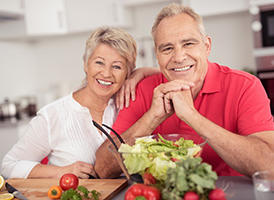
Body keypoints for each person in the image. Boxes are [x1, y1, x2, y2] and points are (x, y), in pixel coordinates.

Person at [94, 3, 274, 178]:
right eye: (167, 48)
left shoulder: (245, 86)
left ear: (207, 46)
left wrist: (191, 116)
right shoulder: (141, 90)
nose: (179, 57)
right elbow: (103, 168)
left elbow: (270, 167)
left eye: (188, 44)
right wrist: (153, 116)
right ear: (157, 54)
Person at [1, 26, 160, 179]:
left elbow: (174, 72)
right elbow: (10, 165)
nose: (106, 73)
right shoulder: (52, 115)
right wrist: (61, 172)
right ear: (86, 64)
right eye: (99, 62)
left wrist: (143, 71)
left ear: (128, 72)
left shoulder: (129, 103)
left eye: (117, 66)